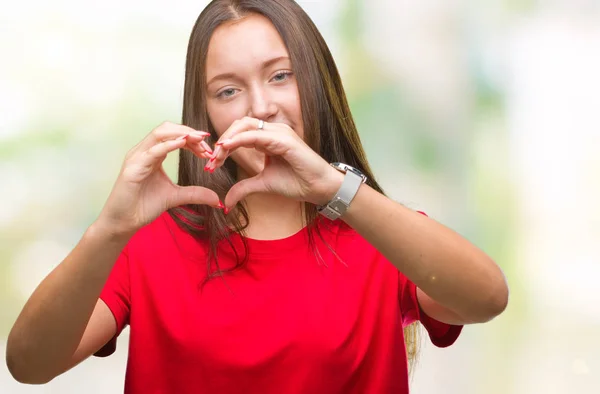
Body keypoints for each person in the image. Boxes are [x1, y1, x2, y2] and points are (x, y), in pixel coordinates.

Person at [6, 0, 509, 393]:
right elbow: (28, 365)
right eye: (228, 91)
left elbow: (487, 299)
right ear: (206, 117)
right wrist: (109, 229)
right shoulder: (149, 244)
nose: (261, 106)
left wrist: (337, 190)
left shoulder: (379, 231)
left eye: (280, 75)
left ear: (317, 83)